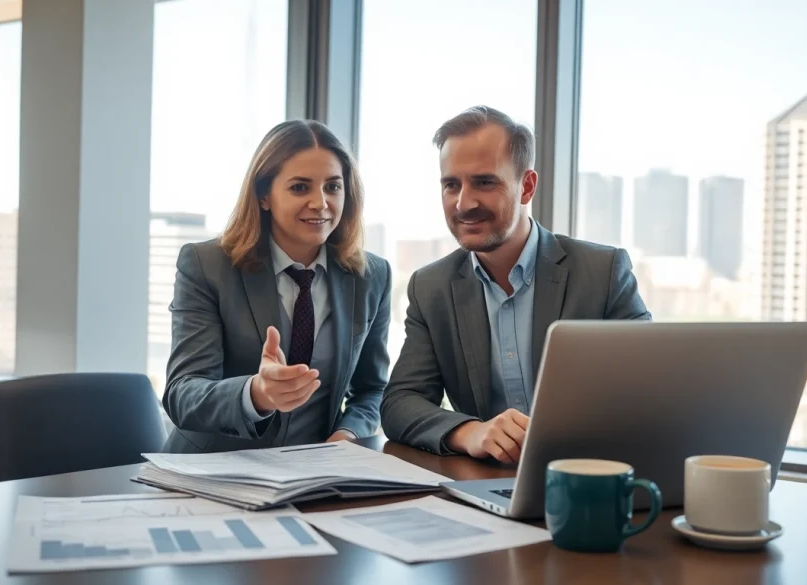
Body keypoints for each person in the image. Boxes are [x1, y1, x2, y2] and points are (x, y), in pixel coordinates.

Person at [380, 106, 651, 463]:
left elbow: (650, 391)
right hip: (487, 484)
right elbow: (401, 402)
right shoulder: (431, 287)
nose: (464, 203)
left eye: (484, 182)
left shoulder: (603, 272)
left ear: (526, 186)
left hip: (587, 476)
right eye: (451, 185)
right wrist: (471, 432)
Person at [161, 120, 391, 454]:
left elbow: (371, 389)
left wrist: (348, 435)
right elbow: (183, 393)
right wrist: (256, 393)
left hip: (316, 475)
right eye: (300, 187)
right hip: (212, 470)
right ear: (264, 195)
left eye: (333, 187)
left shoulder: (371, 276)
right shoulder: (206, 265)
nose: (320, 203)